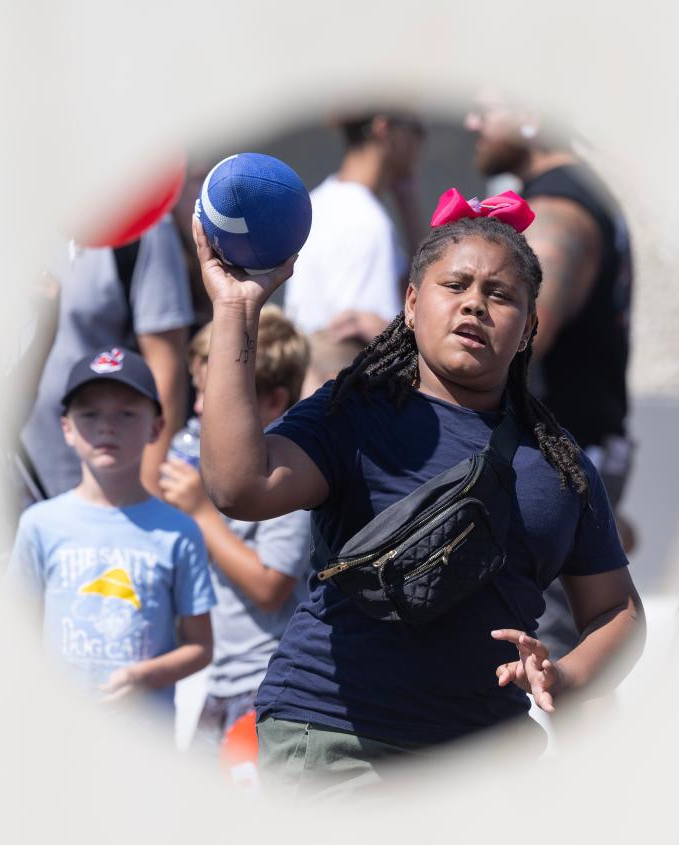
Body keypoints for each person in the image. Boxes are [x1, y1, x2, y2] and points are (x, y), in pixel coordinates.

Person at [188, 188, 645, 798]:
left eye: (500, 294)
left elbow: (620, 612)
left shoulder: (562, 465)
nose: (475, 305)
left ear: (530, 325)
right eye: (454, 286)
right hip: (333, 744)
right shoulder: (351, 414)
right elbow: (240, 486)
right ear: (410, 303)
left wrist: (565, 674)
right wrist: (235, 309)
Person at [465, 93, 636, 659]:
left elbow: (518, 346)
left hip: (559, 457)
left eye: (484, 108)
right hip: (568, 448)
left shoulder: (561, 208)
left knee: (548, 651)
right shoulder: (576, 196)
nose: (472, 123)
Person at [7, 347, 215, 726]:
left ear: (156, 427)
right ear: (66, 427)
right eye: (90, 413)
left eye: (126, 413)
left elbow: (200, 647)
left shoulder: (180, 531)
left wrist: (142, 676)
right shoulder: (38, 524)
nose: (107, 426)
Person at [158, 307, 312, 757]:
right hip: (218, 677)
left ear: (272, 401)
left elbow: (270, 585)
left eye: (216, 392)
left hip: (267, 685)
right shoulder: (212, 465)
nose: (202, 407)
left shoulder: (286, 470)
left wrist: (202, 515)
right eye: (200, 390)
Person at [20, 216, 193, 506]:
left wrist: (147, 495)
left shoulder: (140, 220)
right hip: (4, 478)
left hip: (103, 489)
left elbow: (166, 364)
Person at [283, 110, 426, 344]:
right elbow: (364, 334)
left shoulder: (315, 202)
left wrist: (407, 201)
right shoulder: (368, 221)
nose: (421, 143)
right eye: (417, 129)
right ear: (384, 129)